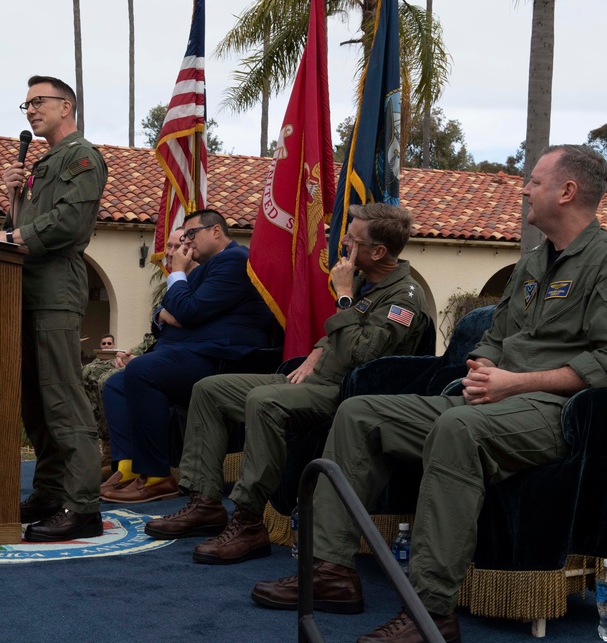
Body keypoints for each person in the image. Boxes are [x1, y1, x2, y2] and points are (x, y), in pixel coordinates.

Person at [249, 145, 607, 643]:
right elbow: (494, 336)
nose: (524, 189)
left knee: (459, 430)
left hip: (559, 411)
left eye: (534, 181)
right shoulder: (534, 262)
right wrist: (482, 371)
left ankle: (432, 613)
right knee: (361, 414)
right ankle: (330, 572)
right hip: (495, 399)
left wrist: (513, 382)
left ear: (567, 191)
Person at [144, 203, 431, 567]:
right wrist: (318, 348)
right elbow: (342, 338)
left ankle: (248, 521)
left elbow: (365, 355)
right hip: (314, 376)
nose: (342, 243)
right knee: (209, 389)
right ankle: (205, 503)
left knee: (265, 401)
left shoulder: (403, 297)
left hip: (346, 390)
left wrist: (342, 298)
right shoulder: (364, 281)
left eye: (352, 239)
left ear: (378, 251)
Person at [0, 75, 108, 542]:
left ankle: (83, 506)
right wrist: (14, 201)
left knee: (62, 397)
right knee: (34, 400)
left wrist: (9, 236)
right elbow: (22, 227)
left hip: (54, 291)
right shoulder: (42, 164)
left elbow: (68, 223)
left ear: (66, 105)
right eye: (25, 104)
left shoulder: (82, 157)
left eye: (38, 101)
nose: (30, 110)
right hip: (22, 292)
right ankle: (50, 492)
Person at [100, 209, 274, 504]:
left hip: (225, 358)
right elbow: (173, 309)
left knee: (142, 371)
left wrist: (178, 275)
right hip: (195, 350)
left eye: (191, 233)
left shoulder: (233, 260)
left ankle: (157, 477)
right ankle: (129, 467)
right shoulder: (210, 266)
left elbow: (188, 311)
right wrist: (167, 312)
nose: (186, 241)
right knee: (115, 384)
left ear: (216, 231)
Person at [81, 228, 191, 446]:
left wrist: (140, 359)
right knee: (89, 370)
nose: (169, 252)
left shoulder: (191, 280)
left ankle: (123, 451)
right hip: (153, 343)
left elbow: (180, 319)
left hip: (173, 353)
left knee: (109, 379)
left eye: (177, 247)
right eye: (168, 246)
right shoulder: (173, 281)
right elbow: (159, 322)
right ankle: (108, 446)